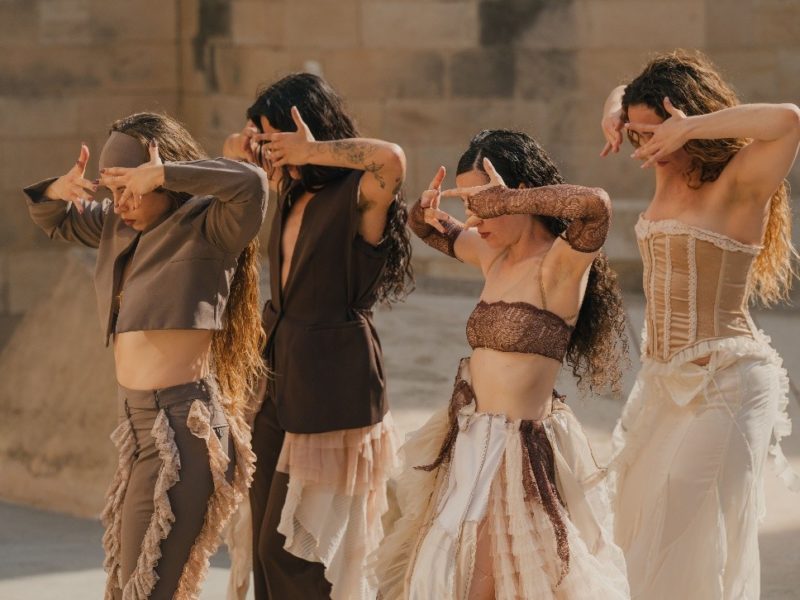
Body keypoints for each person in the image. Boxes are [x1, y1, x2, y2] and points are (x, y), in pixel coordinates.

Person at [373, 129, 630, 599]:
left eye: (485, 202)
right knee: (441, 574)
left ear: (518, 194)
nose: (475, 216)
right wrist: (430, 205)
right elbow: (423, 224)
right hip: (467, 442)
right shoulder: (492, 255)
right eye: (470, 203)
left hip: (518, 455)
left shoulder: (560, 265)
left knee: (486, 584)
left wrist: (509, 200)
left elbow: (596, 206)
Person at [23, 112, 268, 599]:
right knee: (127, 586)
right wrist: (56, 190)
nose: (124, 203)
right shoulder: (118, 225)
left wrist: (167, 175)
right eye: (115, 190)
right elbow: (55, 220)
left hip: (184, 428)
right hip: (136, 432)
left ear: (163, 175)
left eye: (136, 187)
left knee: (147, 589)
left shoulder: (210, 225)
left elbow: (253, 184)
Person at [600, 49, 800, 599]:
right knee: (633, 526)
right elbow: (621, 92)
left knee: (680, 520)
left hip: (729, 382)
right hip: (663, 385)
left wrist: (692, 126)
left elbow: (788, 119)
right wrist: (616, 114)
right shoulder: (666, 168)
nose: (648, 150)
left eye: (655, 135)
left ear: (690, 121)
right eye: (638, 139)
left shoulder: (739, 184)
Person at [223, 73, 413, 600]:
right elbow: (226, 152)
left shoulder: (357, 193)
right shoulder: (288, 190)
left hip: (332, 390)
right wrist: (252, 145)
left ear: (302, 129)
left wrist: (314, 149)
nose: (270, 151)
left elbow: (391, 159)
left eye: (273, 137)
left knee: (293, 551)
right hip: (277, 383)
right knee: (263, 546)